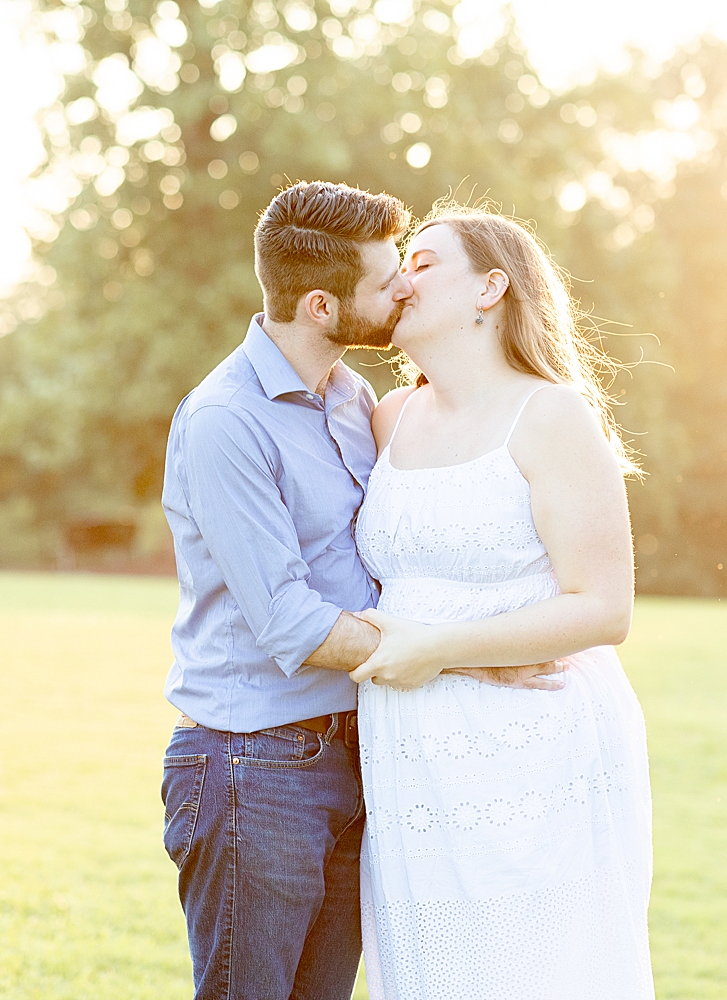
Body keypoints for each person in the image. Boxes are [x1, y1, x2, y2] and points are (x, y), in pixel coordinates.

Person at [158, 182, 559, 1000]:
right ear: (320, 305)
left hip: (356, 752)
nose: (404, 288)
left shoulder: (353, 399)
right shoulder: (224, 421)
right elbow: (292, 623)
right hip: (252, 768)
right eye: (385, 281)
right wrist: (470, 664)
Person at [350, 201, 655, 999]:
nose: (398, 279)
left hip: (533, 744)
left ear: (491, 288)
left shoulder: (549, 415)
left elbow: (604, 609)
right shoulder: (387, 418)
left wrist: (442, 650)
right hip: (409, 752)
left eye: (422, 262)